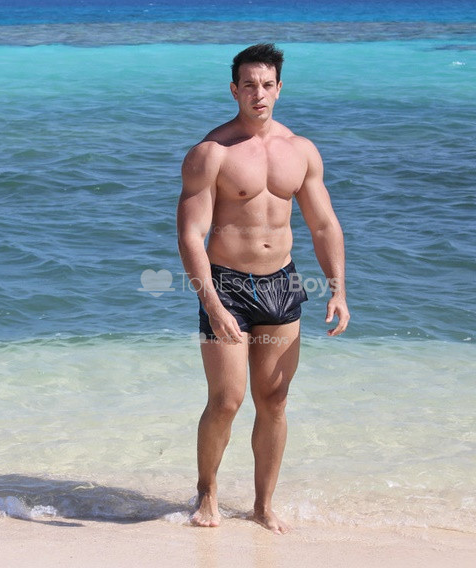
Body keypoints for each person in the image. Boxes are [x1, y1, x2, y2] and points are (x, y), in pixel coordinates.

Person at [176, 43, 349, 534]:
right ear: (234, 90)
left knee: (274, 400)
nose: (258, 94)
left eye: (267, 85)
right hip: (226, 285)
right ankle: (207, 491)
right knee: (227, 400)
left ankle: (262, 505)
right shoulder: (211, 153)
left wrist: (338, 289)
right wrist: (211, 303)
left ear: (279, 89)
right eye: (249, 85)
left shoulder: (301, 151)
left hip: (281, 283)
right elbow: (190, 234)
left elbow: (323, 225)